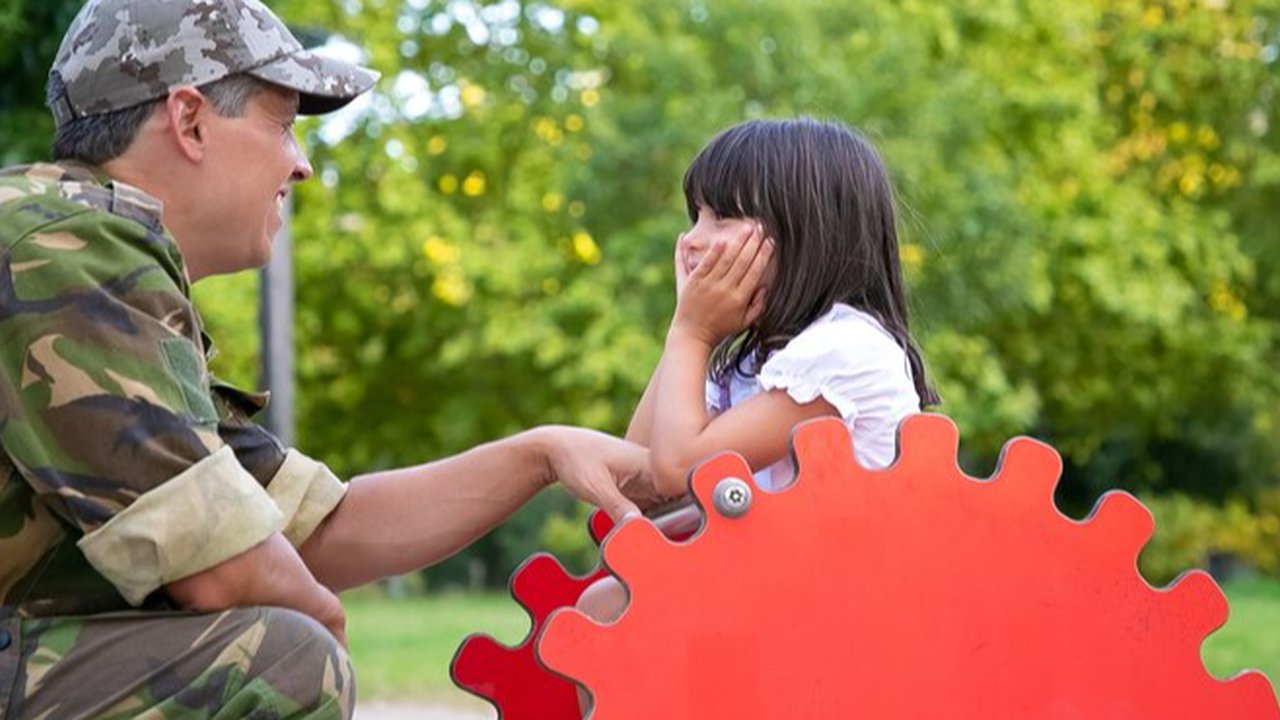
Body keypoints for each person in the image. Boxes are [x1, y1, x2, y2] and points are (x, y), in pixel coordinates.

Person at [0, 1, 657, 718]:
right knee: (282, 660)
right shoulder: (62, 245)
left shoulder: (82, 255)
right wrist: (322, 631)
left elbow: (317, 530)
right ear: (190, 121)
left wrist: (543, 454)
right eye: (282, 124)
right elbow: (227, 569)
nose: (302, 164)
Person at [576, 119, 938, 708]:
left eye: (721, 217)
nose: (692, 240)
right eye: (694, 215)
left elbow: (677, 469)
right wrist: (685, 329)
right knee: (608, 605)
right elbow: (638, 476)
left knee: (616, 609)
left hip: (847, 614)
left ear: (805, 230)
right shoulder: (756, 363)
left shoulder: (846, 349)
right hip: (779, 593)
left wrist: (692, 333)